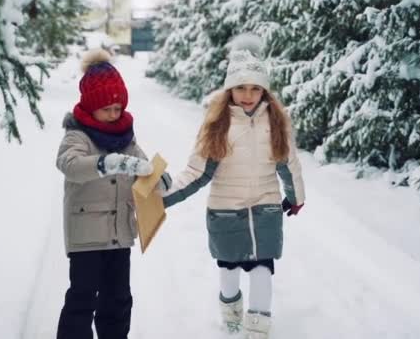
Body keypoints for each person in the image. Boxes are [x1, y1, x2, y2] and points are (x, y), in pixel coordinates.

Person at [162, 35, 306, 339]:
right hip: (226, 211)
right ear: (230, 89)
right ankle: (230, 310)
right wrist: (161, 199)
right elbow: (196, 172)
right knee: (229, 270)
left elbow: (289, 165)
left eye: (255, 87)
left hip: (266, 207)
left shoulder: (277, 121)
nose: (248, 95)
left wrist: (296, 198)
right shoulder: (218, 123)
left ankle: (258, 326)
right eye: (241, 87)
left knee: (262, 269)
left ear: (264, 89)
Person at [55, 49, 153, 339]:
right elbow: (69, 165)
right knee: (83, 298)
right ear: (91, 106)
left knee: (118, 299)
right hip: (86, 236)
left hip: (119, 234)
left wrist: (157, 177)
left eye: (118, 108)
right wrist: (105, 162)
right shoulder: (77, 135)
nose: (114, 114)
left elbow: (141, 164)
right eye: (107, 108)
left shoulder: (126, 136)